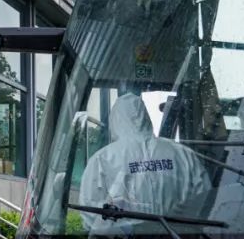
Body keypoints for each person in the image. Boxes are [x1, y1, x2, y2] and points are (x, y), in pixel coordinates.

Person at [78, 93, 210, 222]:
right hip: (180, 235)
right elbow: (206, 200)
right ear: (146, 117)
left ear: (115, 120)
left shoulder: (102, 159)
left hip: (127, 237)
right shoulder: (182, 153)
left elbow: (90, 212)